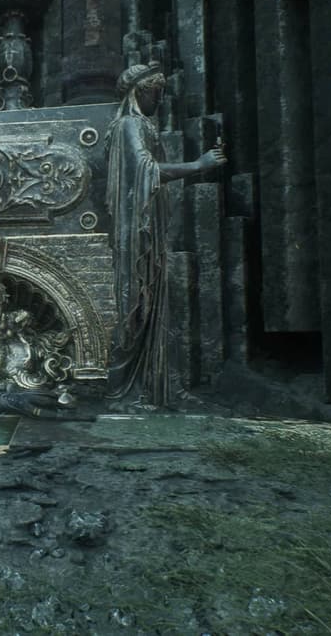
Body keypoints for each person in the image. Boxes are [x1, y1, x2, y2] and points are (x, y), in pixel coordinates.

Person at [105, 62, 227, 407]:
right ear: (139, 93)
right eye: (156, 93)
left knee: (153, 302)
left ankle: (159, 386)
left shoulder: (143, 125)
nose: (160, 100)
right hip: (135, 230)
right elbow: (145, 168)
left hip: (149, 227)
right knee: (135, 303)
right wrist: (198, 166)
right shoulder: (129, 124)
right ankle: (122, 390)